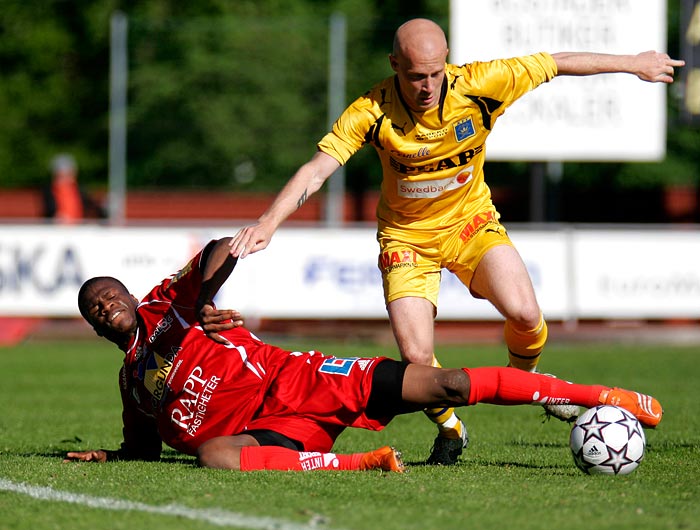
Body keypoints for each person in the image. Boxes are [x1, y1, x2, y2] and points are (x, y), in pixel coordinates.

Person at [227, 18, 684, 465]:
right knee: (416, 357)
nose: (426, 86)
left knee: (526, 314)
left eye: (433, 74)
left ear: (446, 62)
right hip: (407, 240)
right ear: (393, 66)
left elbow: (557, 62)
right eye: (414, 77)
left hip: (470, 223)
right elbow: (317, 168)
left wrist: (633, 62)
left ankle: (528, 383)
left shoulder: (481, 83)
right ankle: (451, 429)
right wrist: (268, 223)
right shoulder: (371, 110)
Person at [64, 237, 662, 472]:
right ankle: (363, 462)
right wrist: (111, 456)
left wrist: (211, 287)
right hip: (271, 437)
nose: (107, 305)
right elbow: (141, 449)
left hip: (298, 381)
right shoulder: (131, 386)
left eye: (111, 294)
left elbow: (219, 249)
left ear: (129, 294)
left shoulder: (172, 303)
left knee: (444, 384)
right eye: (95, 308)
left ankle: (603, 396)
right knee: (216, 458)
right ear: (94, 328)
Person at [42, 154, 106, 224]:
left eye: (68, 175)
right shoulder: (48, 191)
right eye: (61, 176)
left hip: (77, 228)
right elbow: (46, 212)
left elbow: (93, 208)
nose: (65, 179)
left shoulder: (80, 190)